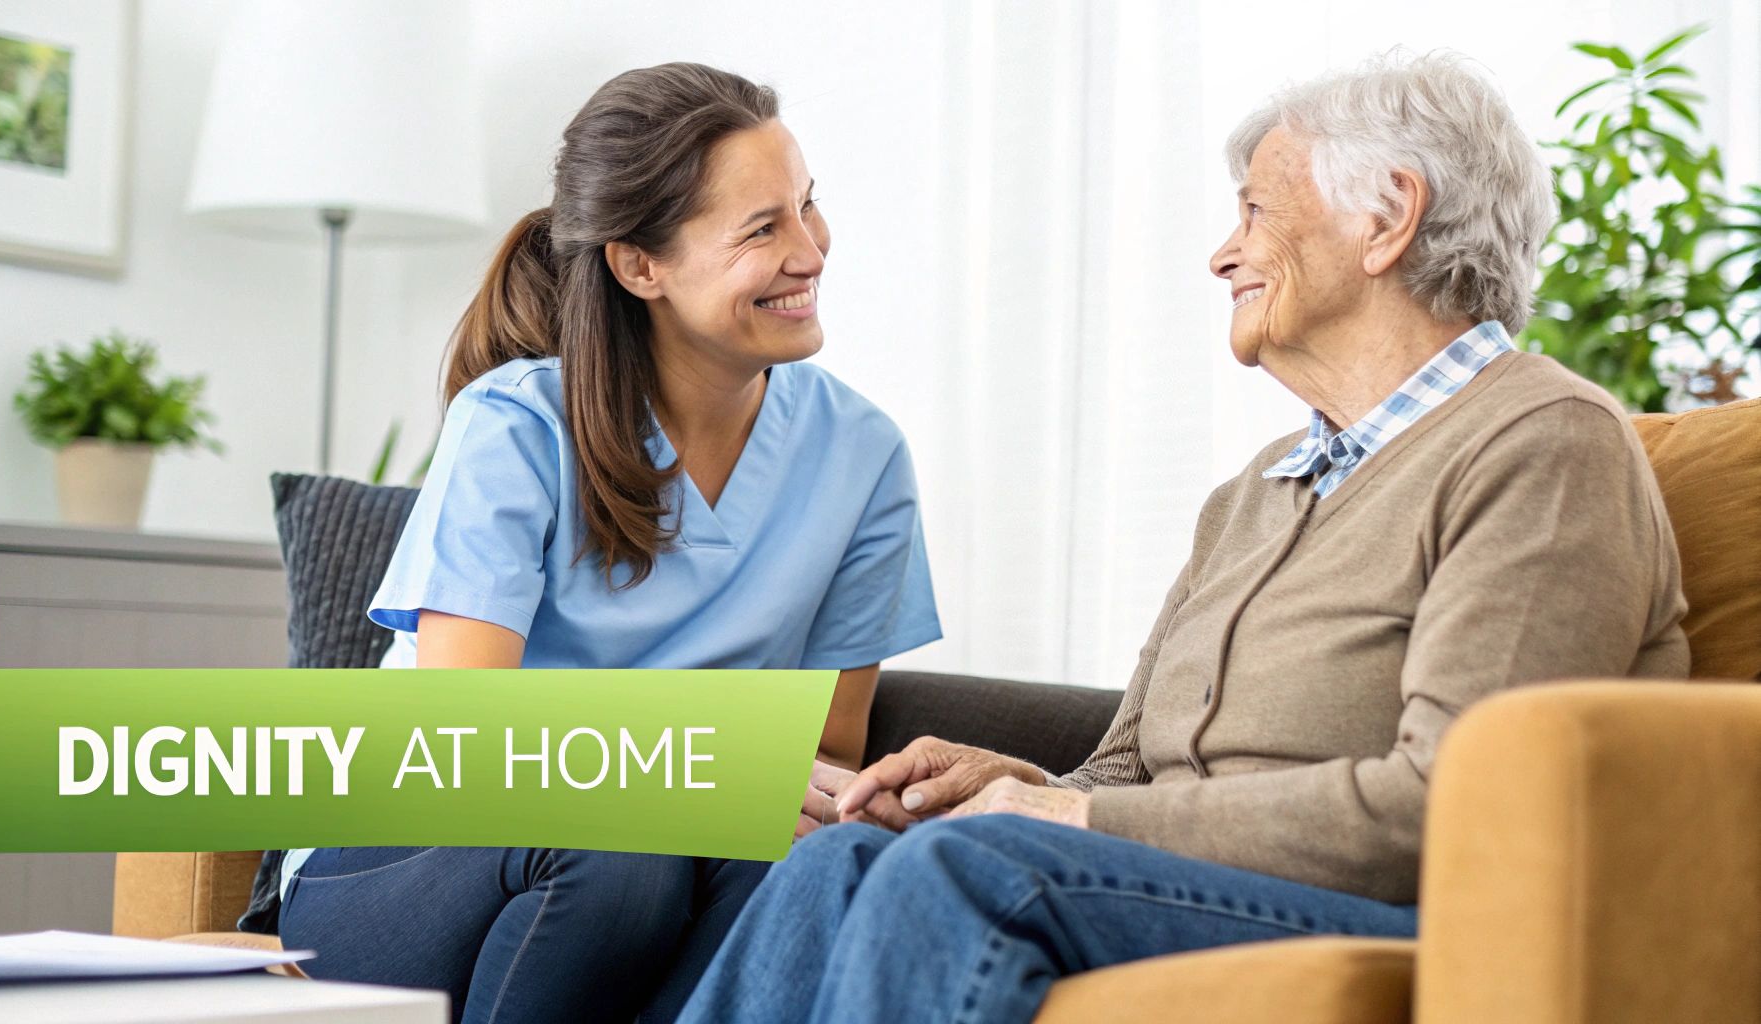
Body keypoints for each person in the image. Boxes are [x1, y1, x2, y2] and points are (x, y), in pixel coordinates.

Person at [675, 51, 1689, 1024]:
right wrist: (1005, 785)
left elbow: (1455, 804)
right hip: (1176, 885)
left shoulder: (1539, 442)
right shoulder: (1252, 492)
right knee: (837, 856)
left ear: (1386, 218)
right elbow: (1121, 775)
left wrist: (1068, 822)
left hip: (1409, 909)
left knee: (962, 870)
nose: (1222, 252)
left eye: (1253, 211)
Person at [275, 62, 941, 1024]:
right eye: (763, 227)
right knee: (615, 842)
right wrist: (699, 774)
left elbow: (827, 748)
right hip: (407, 865)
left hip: (671, 861)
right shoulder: (514, 424)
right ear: (640, 266)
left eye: (807, 205)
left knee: (809, 857)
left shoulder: (862, 454)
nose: (811, 250)